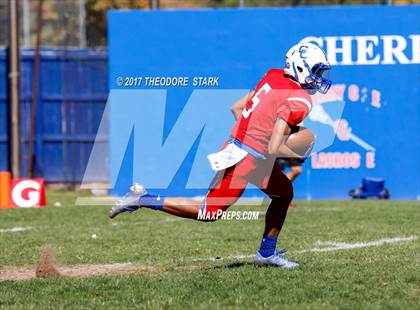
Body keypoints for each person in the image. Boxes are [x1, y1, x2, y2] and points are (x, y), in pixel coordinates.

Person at [109, 42, 331, 268]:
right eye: (316, 71)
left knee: (284, 192)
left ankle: (266, 253)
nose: (319, 78)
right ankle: (143, 198)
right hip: (247, 159)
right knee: (208, 212)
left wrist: (251, 137)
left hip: (246, 152)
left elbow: (236, 108)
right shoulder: (300, 100)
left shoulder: (273, 76)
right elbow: (275, 148)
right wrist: (296, 152)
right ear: (301, 68)